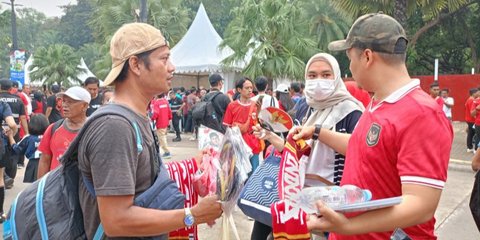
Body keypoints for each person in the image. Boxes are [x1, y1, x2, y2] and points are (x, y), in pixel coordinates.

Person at [297, 13, 452, 239]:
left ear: (367, 57)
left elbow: (421, 204)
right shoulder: (378, 103)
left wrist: (348, 226)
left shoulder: (421, 113)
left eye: (350, 58)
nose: (350, 67)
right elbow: (363, 148)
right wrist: (318, 132)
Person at [76, 22, 221, 239]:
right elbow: (116, 221)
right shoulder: (114, 127)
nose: (172, 67)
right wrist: (192, 215)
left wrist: (192, 166)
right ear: (135, 64)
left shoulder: (136, 117)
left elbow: (141, 181)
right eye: (164, 58)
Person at [252, 53, 363, 239]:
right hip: (302, 197)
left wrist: (317, 131)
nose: (318, 81)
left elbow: (358, 149)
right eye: (312, 76)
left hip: (332, 203)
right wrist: (270, 136)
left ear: (336, 77)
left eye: (326, 75)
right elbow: (301, 152)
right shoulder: (308, 107)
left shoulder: (351, 111)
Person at [37, 86, 90, 178]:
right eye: (64, 101)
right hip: (56, 188)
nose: (65, 105)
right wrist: (41, 188)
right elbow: (44, 161)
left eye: (70, 102)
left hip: (83, 188)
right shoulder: (53, 128)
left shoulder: (93, 129)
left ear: (84, 106)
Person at [223, 77, 261, 174]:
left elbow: (259, 124)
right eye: (247, 88)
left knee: (253, 175)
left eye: (251, 88)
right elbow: (227, 127)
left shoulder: (256, 105)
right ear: (239, 90)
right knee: (239, 176)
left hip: (253, 146)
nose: (250, 90)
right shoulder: (232, 106)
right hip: (238, 147)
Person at [7, 113, 49, 183]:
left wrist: (10, 136)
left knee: (33, 187)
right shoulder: (49, 136)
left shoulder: (29, 138)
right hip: (47, 163)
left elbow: (17, 149)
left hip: (33, 164)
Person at [0, 80, 28, 183]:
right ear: (11, 87)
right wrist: (26, 132)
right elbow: (23, 118)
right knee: (13, 155)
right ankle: (9, 177)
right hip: (13, 131)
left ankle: (3, 177)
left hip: (1, 131)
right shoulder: (18, 100)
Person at [0, 99, 17, 222]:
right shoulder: (2, 105)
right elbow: (12, 124)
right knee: (0, 178)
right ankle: (0, 213)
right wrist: (12, 134)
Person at [150, 93, 172, 159]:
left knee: (162, 138)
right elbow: (169, 111)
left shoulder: (157, 103)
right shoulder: (166, 102)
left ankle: (167, 152)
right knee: (163, 137)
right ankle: (161, 151)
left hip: (160, 122)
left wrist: (152, 118)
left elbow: (156, 113)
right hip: (165, 122)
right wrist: (170, 118)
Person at [466, 88, 478, 153]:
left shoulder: (469, 99)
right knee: (475, 134)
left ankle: (469, 147)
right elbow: (472, 112)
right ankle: (473, 148)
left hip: (469, 119)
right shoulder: (471, 100)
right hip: (471, 120)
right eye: (477, 92)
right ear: (473, 93)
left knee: (471, 133)